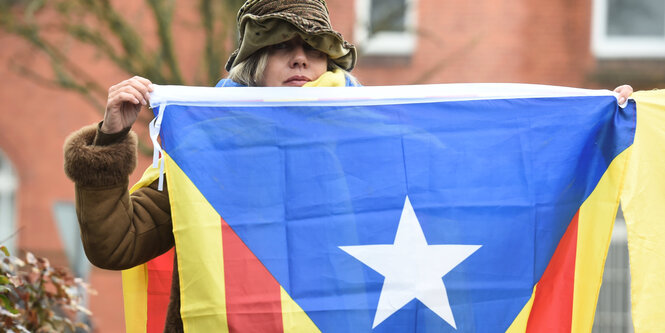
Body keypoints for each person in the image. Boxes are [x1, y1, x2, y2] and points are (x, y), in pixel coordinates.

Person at [63, 0, 634, 331]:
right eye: (282, 48)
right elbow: (115, 246)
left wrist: (595, 124)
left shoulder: (378, 143)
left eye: (314, 50)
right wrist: (113, 135)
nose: (300, 59)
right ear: (253, 65)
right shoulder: (207, 152)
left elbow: (481, 184)